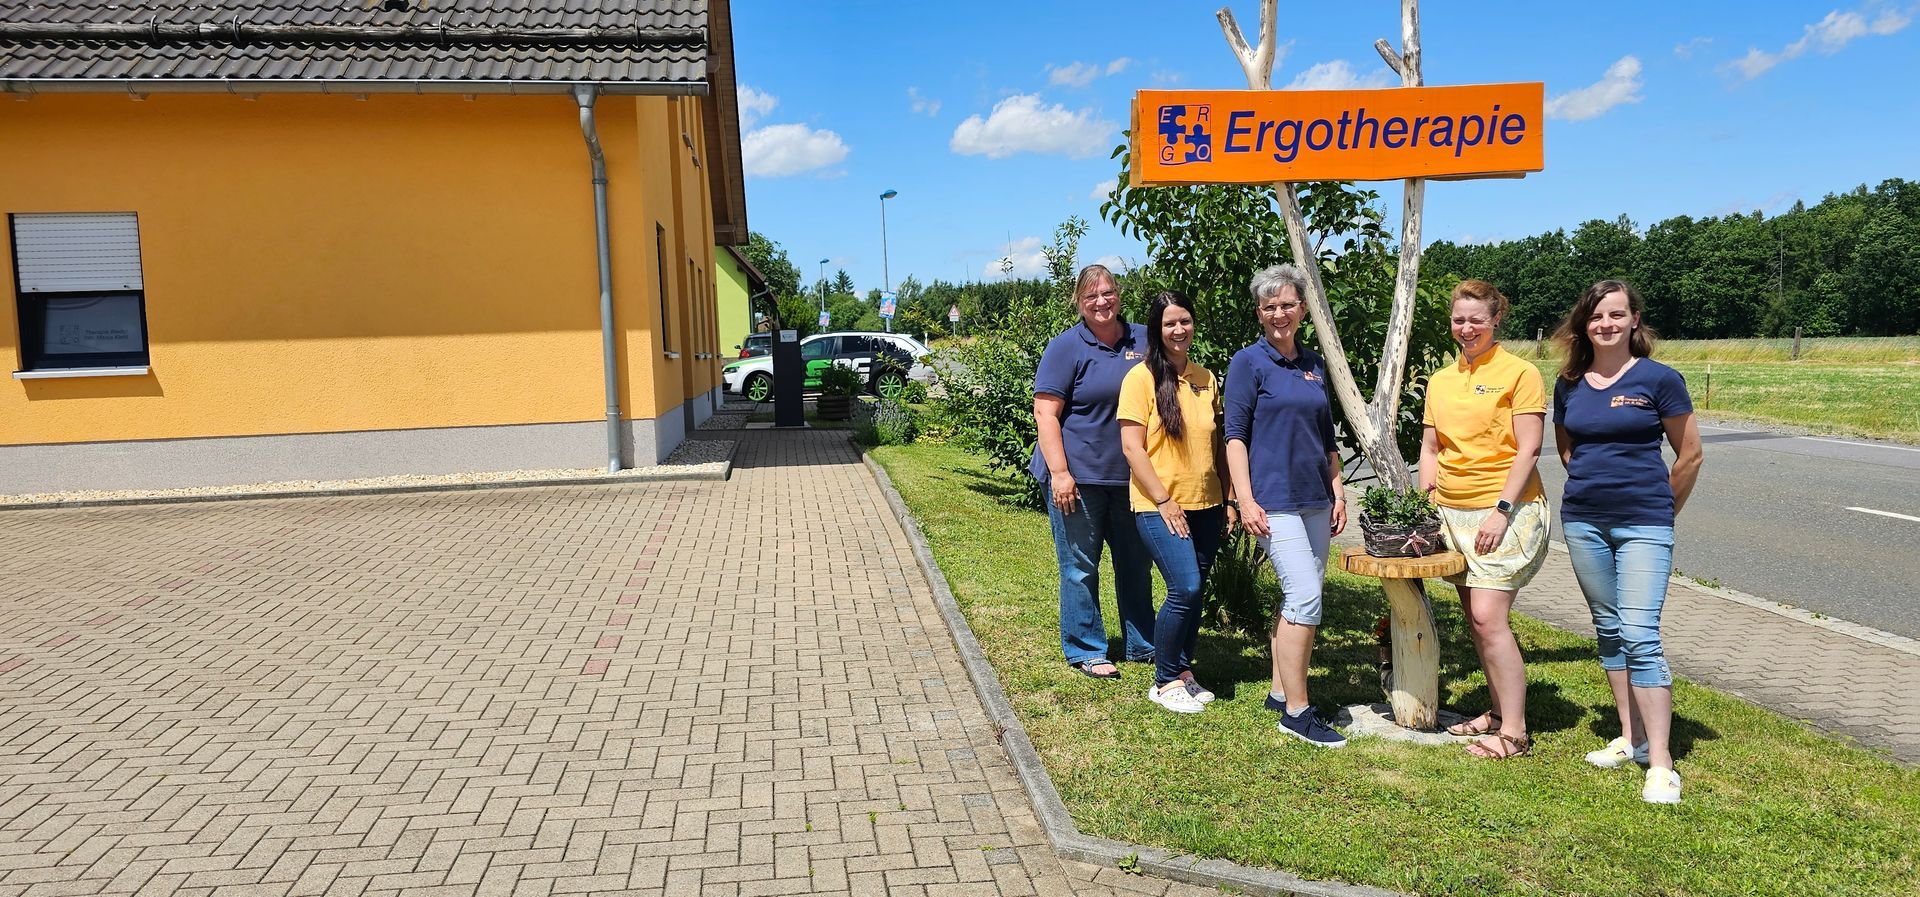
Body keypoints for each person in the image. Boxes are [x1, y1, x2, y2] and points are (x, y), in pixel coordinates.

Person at [1553, 279, 1704, 804]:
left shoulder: (1660, 379)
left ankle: (1661, 763)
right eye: (1596, 316)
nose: (1606, 324)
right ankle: (1631, 738)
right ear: (1584, 324)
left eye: (1616, 315)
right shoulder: (1569, 382)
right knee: (1610, 628)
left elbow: (1690, 456)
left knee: (1640, 632)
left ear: (1635, 320)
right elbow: (1569, 451)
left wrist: (1660, 510)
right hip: (1584, 522)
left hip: (1644, 523)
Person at [1419, 278, 1550, 760]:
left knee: (1487, 617)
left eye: (1477, 318)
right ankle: (1496, 713)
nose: (1467, 327)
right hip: (1452, 513)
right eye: (1459, 318)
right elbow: (1432, 448)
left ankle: (1514, 732)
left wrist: (1501, 510)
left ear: (1497, 320)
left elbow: (1529, 448)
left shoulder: (1521, 373)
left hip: (1506, 512)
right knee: (1476, 621)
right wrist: (1424, 506)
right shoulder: (1441, 379)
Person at [1224, 264, 1349, 747]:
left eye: (1288, 305)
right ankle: (1298, 712)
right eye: (1270, 306)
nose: (1279, 313)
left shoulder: (1313, 363)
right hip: (1272, 501)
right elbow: (1235, 438)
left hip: (1316, 499)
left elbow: (1327, 438)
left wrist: (1338, 492)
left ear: (1302, 309)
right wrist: (1245, 498)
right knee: (1305, 598)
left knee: (1299, 597)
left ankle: (1280, 691)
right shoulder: (1247, 363)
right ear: (1259, 313)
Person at [1032, 264, 1154, 679]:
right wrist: (1060, 473)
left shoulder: (1144, 338)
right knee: (1080, 565)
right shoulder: (1066, 347)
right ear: (1079, 303)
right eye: (1091, 297)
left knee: (1136, 563)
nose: (1101, 302)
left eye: (1108, 293)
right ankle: (1087, 648)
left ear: (1119, 294)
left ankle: (1143, 644)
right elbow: (1046, 414)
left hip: (1133, 477)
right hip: (1079, 478)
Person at [1118, 291, 1228, 714]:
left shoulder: (1205, 377)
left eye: (1184, 321)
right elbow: (1132, 447)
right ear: (1156, 330)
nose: (1178, 330)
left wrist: (1229, 499)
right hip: (1158, 504)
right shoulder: (1140, 379)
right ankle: (1164, 680)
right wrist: (1164, 500)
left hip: (1208, 502)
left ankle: (1184, 671)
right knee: (1185, 587)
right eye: (1169, 324)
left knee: (1195, 593)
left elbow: (1216, 443)